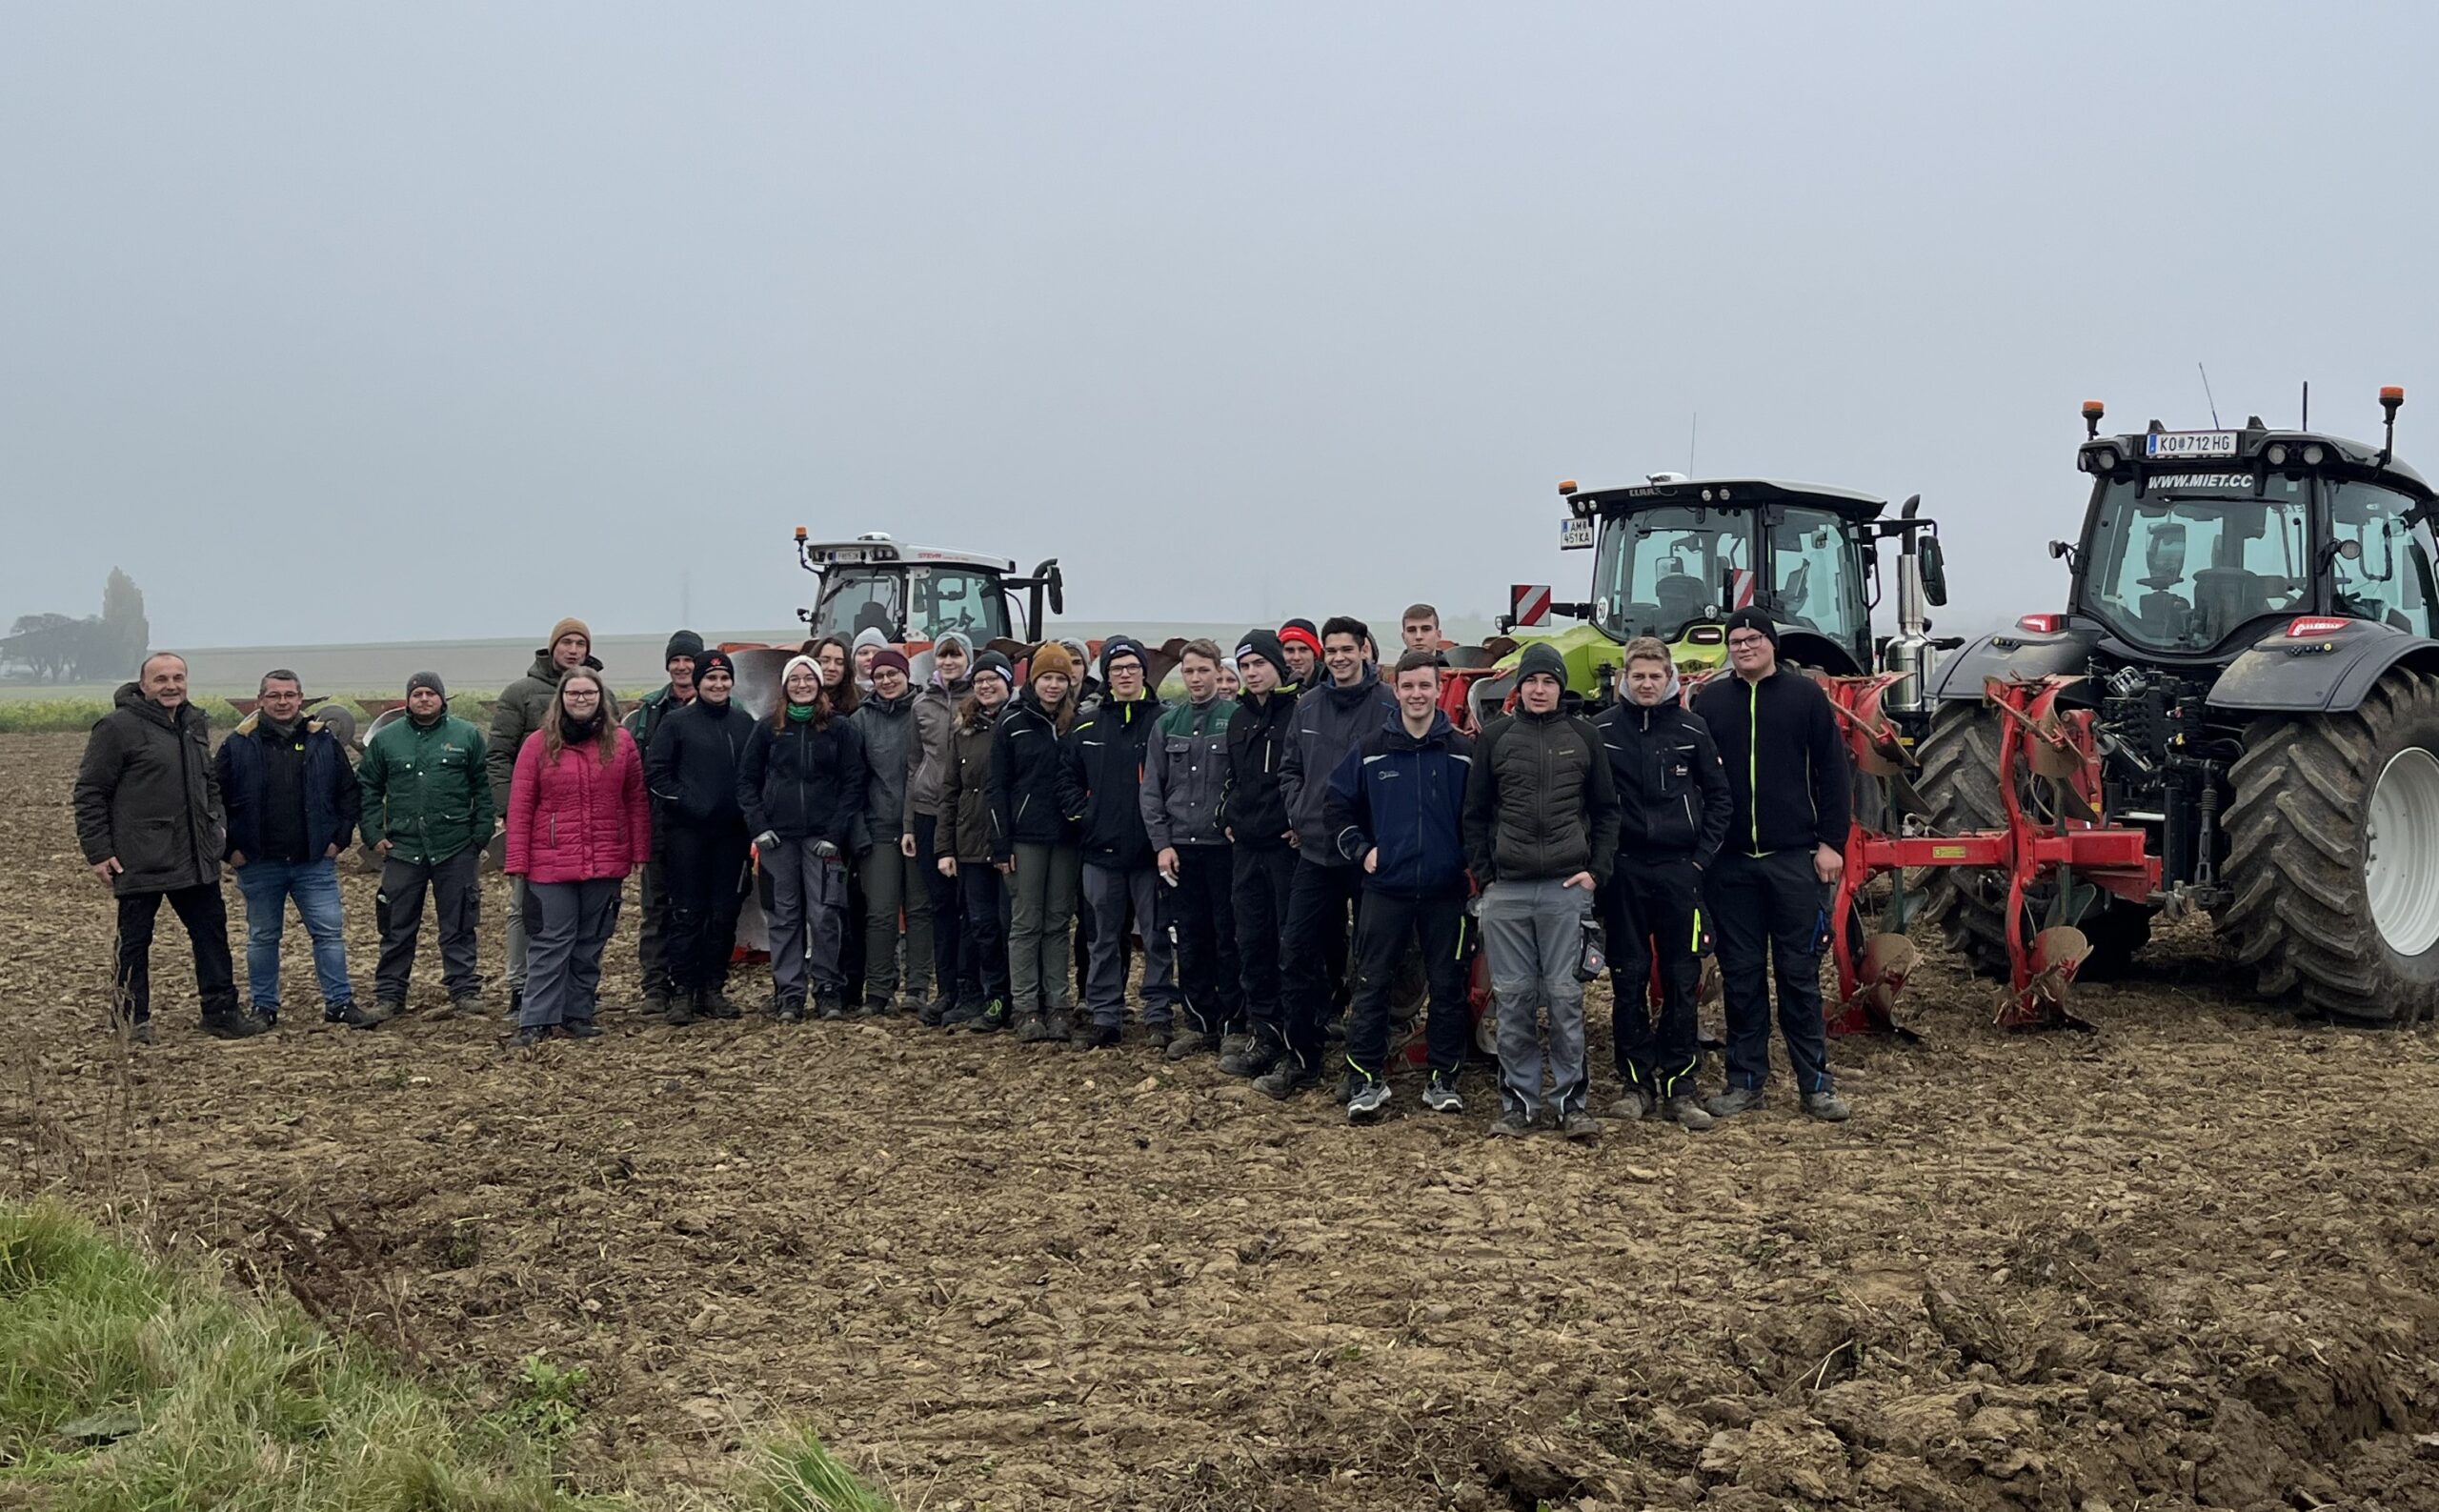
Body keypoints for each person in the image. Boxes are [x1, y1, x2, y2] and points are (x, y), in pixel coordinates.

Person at [1690, 609, 1854, 1122]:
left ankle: (1816, 1085)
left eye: (1753, 639)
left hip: (1793, 859)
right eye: (1736, 641)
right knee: (1740, 977)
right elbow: (1697, 779)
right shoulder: (1711, 702)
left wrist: (1831, 842)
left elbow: (1834, 772)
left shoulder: (1805, 697)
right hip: (1731, 863)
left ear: (1773, 644)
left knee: (1799, 977)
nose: (1744, 648)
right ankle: (1744, 1082)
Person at [1463, 641, 1622, 1139]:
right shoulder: (1494, 739)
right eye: (1531, 681)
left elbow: (1606, 811)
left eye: (1549, 681)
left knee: (1565, 999)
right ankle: (1519, 1105)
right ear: (1518, 688)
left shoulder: (1584, 736)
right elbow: (1474, 815)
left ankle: (1572, 1104)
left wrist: (1596, 871)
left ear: (1560, 687)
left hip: (1565, 888)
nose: (1539, 689)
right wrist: (1487, 879)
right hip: (1507, 891)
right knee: (1512, 1001)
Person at [74, 653, 263, 1042]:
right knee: (135, 942)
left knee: (211, 935)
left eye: (178, 677)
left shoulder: (193, 723)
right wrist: (98, 851)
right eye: (161, 679)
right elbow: (91, 792)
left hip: (196, 854)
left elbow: (209, 782)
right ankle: (131, 1021)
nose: (171, 685)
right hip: (140, 855)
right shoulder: (117, 727)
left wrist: (218, 827)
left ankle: (221, 1012)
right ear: (143, 685)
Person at [1323, 651, 1477, 1122]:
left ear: (1437, 690)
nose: (1416, 695)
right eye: (1407, 686)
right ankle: (1365, 1079)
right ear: (1396, 690)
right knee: (1371, 984)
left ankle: (1443, 1078)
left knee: (1448, 986)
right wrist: (1361, 849)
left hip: (1445, 891)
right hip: (1385, 889)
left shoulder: (1462, 751)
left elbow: (1477, 817)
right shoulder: (1371, 748)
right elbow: (1337, 806)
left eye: (1424, 686)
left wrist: (1469, 865)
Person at [1596, 638, 1731, 1130]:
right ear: (1625, 680)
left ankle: (1681, 1085)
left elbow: (1720, 801)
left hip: (1680, 873)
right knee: (1627, 978)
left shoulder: (1693, 730)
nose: (1647, 684)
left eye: (1655, 676)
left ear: (1669, 677)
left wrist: (1699, 862)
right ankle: (1635, 1085)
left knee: (1681, 978)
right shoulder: (1603, 732)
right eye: (1638, 676)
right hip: (1625, 872)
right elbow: (1591, 804)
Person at [1260, 617, 1397, 1097]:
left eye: (1347, 649)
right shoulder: (1309, 705)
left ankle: (1363, 1068)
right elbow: (1291, 768)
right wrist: (1299, 812)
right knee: (1296, 953)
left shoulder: (1387, 707)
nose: (1339, 657)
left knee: (1372, 963)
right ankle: (1302, 1058)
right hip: (1315, 852)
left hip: (1368, 855)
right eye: (1332, 650)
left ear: (1364, 651)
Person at [503, 669, 648, 1045]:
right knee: (550, 941)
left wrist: (639, 850)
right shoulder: (537, 745)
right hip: (549, 862)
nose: (581, 699)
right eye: (574, 693)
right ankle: (535, 1018)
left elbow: (635, 800)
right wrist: (517, 861)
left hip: (605, 858)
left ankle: (577, 1013)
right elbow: (521, 806)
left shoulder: (621, 743)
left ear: (601, 697)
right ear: (561, 698)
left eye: (588, 693)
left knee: (590, 942)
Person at [214, 670, 367, 1028]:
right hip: (258, 862)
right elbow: (214, 799)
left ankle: (339, 1004)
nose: (282, 702)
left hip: (313, 862)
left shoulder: (323, 740)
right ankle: (264, 1008)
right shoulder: (237, 744)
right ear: (260, 701)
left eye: (289, 695)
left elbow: (349, 793)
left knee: (328, 934)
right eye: (274, 695)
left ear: (301, 699)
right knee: (263, 938)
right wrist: (230, 849)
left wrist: (338, 839)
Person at [1059, 636, 1175, 1049]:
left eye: (1131, 667)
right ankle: (1105, 1015)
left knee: (1158, 937)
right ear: (1105, 676)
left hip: (1150, 853)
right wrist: (1084, 817)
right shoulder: (1087, 724)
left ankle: (1159, 1014)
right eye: (1116, 669)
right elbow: (1067, 779)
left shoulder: (1165, 721)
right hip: (1100, 852)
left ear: (1144, 672)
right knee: (1104, 938)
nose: (1124, 675)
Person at [740, 655, 868, 1020]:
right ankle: (790, 993)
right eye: (794, 679)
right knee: (783, 916)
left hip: (822, 841)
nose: (801, 685)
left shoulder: (839, 729)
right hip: (779, 840)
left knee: (826, 914)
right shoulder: (768, 729)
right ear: (785, 686)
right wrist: (759, 825)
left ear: (819, 684)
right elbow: (747, 781)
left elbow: (853, 782)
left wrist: (835, 832)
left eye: (808, 678)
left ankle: (827, 988)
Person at [360, 672, 491, 1018]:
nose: (423, 699)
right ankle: (390, 996)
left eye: (430, 694)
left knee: (460, 923)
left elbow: (484, 788)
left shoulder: (467, 735)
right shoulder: (387, 740)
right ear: (408, 700)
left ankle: (464, 991)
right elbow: (367, 789)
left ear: (442, 699)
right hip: (403, 849)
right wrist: (373, 834)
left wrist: (479, 836)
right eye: (417, 693)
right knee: (396, 926)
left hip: (456, 846)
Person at [490, 618, 599, 1020]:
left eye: (580, 644)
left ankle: (573, 992)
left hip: (582, 825)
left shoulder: (599, 695)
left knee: (584, 916)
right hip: (535, 819)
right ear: (552, 647)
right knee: (526, 910)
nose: (573, 650)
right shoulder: (520, 693)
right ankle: (521, 986)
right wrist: (507, 809)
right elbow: (498, 754)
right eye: (566, 643)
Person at [1142, 639, 1240, 1061]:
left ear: (1219, 673)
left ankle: (1234, 1024)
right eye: (1189, 672)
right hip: (1181, 849)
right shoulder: (1168, 724)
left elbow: (1244, 783)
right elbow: (1152, 791)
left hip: (1224, 849)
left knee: (1229, 937)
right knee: (1192, 938)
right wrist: (1162, 845)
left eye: (1204, 671)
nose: (1197, 679)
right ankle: (1199, 1023)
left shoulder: (1235, 720)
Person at [646, 649, 756, 1024]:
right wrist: (692, 805)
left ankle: (713, 988)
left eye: (724, 678)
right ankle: (683, 991)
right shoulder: (676, 723)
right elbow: (657, 776)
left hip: (732, 836)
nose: (718, 685)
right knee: (687, 913)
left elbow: (755, 776)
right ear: (698, 683)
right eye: (711, 679)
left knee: (724, 914)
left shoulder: (745, 724)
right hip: (686, 835)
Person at [1218, 629, 1300, 1077]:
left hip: (1286, 848)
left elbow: (1306, 776)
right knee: (1252, 942)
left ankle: (1297, 1039)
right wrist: (1224, 817)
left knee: (1292, 943)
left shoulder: (1299, 713)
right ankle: (1264, 1034)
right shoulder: (1238, 719)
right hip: (1245, 847)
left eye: (1259, 664)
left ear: (1277, 666)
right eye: (1245, 666)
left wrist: (1299, 823)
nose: (1252, 673)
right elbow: (1230, 778)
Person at [995, 642, 1083, 1040]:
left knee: (1057, 921)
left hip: (1065, 837)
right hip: (1024, 837)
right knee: (1026, 922)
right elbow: (997, 787)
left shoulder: (1076, 723)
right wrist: (1001, 844)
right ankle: (1026, 1006)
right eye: (1046, 677)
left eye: (1060, 679)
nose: (1053, 685)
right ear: (1033, 680)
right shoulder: (1011, 722)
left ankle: (1059, 1004)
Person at [625, 629, 702, 1015]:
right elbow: (632, 773)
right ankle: (655, 986)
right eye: (676, 660)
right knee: (656, 908)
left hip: (705, 828)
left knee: (699, 907)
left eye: (689, 660)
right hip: (658, 824)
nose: (682, 667)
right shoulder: (648, 713)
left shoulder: (724, 706)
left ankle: (697, 982)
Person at [937, 651, 1015, 1026]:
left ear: (1008, 683)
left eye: (993, 679)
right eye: (980, 680)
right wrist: (945, 847)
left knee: (1008, 923)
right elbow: (949, 790)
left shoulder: (1018, 724)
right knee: (978, 925)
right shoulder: (964, 730)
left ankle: (1016, 998)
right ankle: (984, 996)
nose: (986, 686)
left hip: (1010, 842)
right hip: (970, 841)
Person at [853, 647, 933, 1015]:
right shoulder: (860, 721)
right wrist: (858, 830)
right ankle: (879, 990)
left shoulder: (923, 712)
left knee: (920, 909)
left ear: (906, 676)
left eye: (893, 674)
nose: (886, 681)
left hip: (919, 823)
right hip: (878, 827)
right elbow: (852, 780)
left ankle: (917, 988)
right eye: (880, 676)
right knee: (881, 912)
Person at [906, 632, 978, 1022]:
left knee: (972, 906)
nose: (949, 662)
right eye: (943, 656)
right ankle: (947, 988)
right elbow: (912, 764)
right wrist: (908, 824)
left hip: (970, 813)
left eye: (956, 656)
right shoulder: (922, 705)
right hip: (929, 813)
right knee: (941, 907)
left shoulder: (981, 700)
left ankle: (972, 988)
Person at [1278, 619, 1322, 692]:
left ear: (1314, 654)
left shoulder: (1332, 685)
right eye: (1290, 650)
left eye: (1303, 650)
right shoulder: (1271, 687)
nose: (1296, 657)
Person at [852, 626, 890, 691]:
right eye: (864, 653)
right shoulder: (844, 690)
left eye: (877, 653)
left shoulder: (898, 691)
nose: (870, 658)